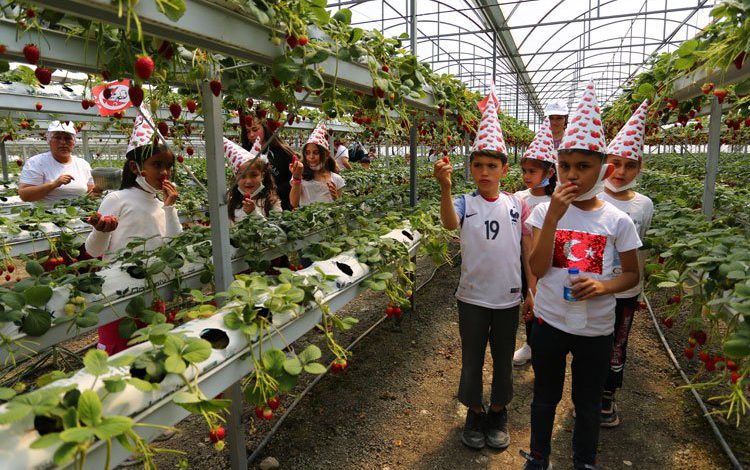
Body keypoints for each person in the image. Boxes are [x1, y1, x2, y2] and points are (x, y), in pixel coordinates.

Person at [520, 82, 641, 470]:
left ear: (602, 169)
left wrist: (604, 285)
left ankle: (584, 460)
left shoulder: (617, 221)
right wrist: (553, 218)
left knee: (587, 402)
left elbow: (633, 277)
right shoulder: (543, 213)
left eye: (583, 167)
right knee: (544, 395)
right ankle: (539, 455)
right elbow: (537, 270)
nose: (573, 174)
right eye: (565, 166)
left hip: (596, 329)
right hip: (551, 321)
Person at [434, 88, 531, 451]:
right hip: (472, 296)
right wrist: (445, 188)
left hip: (508, 297)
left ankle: (498, 408)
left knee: (504, 357)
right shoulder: (463, 201)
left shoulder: (516, 204)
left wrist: (530, 291)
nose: (485, 172)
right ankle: (475, 410)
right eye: (478, 165)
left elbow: (525, 248)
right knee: (472, 355)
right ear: (470, 169)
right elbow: (448, 223)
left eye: (493, 166)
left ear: (505, 170)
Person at [85, 107, 181, 355]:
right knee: (119, 355)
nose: (164, 172)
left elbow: (174, 246)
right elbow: (93, 250)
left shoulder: (162, 204)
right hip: (118, 292)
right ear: (136, 167)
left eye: (168, 166)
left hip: (153, 287)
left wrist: (170, 209)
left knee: (153, 353)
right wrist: (101, 231)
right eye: (157, 165)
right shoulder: (118, 198)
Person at [597, 99, 654, 427]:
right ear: (605, 163)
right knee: (592, 340)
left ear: (639, 167)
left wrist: (639, 288)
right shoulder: (592, 198)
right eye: (615, 163)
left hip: (626, 290)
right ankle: (589, 390)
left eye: (629, 165)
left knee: (619, 342)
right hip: (594, 284)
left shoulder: (644, 205)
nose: (620, 172)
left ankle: (607, 396)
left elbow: (640, 247)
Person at [513, 118, 558, 366]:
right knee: (528, 299)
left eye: (532, 171)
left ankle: (547, 345)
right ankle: (530, 344)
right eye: (524, 171)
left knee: (548, 301)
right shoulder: (519, 198)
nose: (526, 176)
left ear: (549, 173)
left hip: (551, 264)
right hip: (524, 263)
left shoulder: (557, 202)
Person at [18, 121, 94, 204]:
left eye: (67, 138)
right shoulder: (36, 162)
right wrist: (54, 184)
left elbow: (90, 194)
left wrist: (99, 189)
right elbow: (24, 196)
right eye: (57, 138)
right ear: (49, 141)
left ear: (74, 142)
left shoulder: (83, 164)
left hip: (80, 214)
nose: (63, 142)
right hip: (46, 215)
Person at [289, 122, 345, 208]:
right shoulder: (301, 175)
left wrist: (335, 197)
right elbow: (294, 203)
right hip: (306, 220)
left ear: (326, 155)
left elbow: (340, 207)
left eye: (316, 152)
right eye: (307, 153)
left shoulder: (336, 179)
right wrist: (297, 178)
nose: (311, 157)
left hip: (328, 220)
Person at [225, 137, 281, 223]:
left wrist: (253, 213)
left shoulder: (271, 203)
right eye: (242, 176)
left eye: (254, 175)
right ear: (236, 178)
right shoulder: (232, 204)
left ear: (262, 175)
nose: (248, 181)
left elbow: (278, 233)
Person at [246, 118, 296, 210]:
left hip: (283, 208)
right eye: (248, 131)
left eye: (255, 129)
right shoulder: (246, 154)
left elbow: (293, 181)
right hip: (254, 207)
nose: (251, 135)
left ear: (265, 128)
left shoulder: (283, 152)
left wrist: (271, 192)